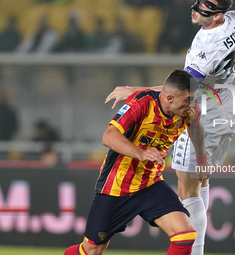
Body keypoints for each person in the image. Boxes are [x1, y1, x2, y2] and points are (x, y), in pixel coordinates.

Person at [105, 0, 235, 254]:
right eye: (198, 4)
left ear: (217, 15)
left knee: (186, 188)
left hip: (201, 114)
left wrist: (134, 90)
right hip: (223, 111)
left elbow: (181, 90)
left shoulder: (209, 47)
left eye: (202, 9)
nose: (194, 9)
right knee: (201, 179)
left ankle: (195, 251)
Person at [63, 69, 211, 255]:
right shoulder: (143, 103)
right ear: (170, 98)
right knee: (92, 250)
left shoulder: (189, 111)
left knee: (185, 235)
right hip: (116, 186)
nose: (191, 105)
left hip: (150, 184)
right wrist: (141, 153)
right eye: (187, 100)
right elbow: (109, 137)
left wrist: (202, 158)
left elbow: (196, 128)